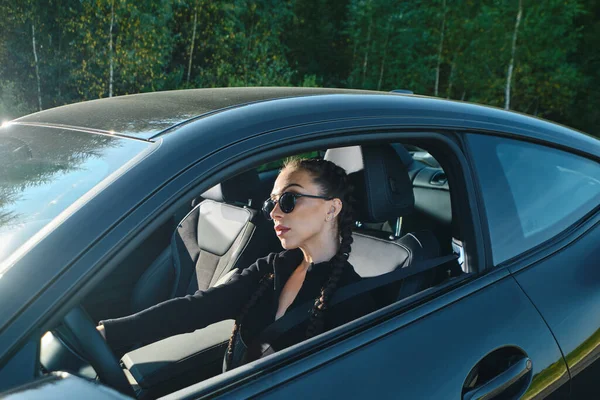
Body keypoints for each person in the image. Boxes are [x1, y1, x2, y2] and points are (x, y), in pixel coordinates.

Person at [97, 158, 376, 371]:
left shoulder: (355, 299)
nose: (275, 213)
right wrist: (110, 333)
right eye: (272, 203)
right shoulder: (271, 268)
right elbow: (197, 308)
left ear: (332, 208)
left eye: (289, 200)